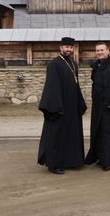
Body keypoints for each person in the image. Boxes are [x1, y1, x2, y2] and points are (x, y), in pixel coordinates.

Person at [37, 37, 87, 175]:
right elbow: (52, 87)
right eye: (66, 47)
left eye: (71, 47)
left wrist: (80, 103)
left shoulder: (73, 63)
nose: (68, 50)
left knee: (70, 134)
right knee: (57, 135)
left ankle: (71, 161)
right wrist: (57, 107)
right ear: (61, 48)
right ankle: (54, 164)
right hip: (59, 108)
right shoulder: (54, 64)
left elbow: (76, 85)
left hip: (72, 106)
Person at [85, 42, 110, 171]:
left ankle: (108, 161)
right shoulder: (96, 66)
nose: (99, 52)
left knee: (108, 134)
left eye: (102, 50)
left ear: (108, 50)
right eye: (97, 50)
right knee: (97, 131)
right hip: (97, 105)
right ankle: (98, 157)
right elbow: (94, 83)